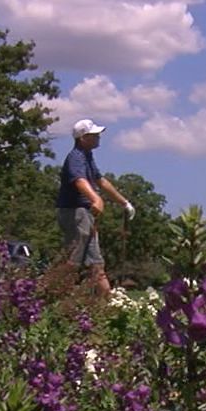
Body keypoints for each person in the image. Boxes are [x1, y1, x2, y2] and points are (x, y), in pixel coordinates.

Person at [54, 118, 135, 297]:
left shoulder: (87, 156)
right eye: (94, 135)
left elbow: (101, 180)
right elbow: (79, 181)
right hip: (75, 213)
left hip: (85, 214)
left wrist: (124, 202)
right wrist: (95, 199)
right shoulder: (76, 157)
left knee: (97, 264)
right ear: (83, 138)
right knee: (73, 262)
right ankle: (47, 294)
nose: (99, 137)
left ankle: (107, 306)